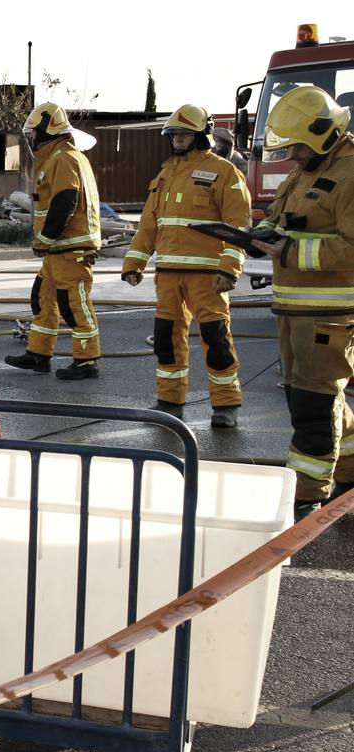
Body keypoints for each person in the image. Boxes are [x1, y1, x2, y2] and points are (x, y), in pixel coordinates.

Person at [249, 86, 354, 518]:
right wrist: (257, 237)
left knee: (313, 404)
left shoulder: (350, 174)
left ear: (323, 134)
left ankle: (308, 495)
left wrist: (289, 250)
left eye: (297, 145)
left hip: (331, 314)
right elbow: (281, 219)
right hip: (294, 311)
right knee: (311, 397)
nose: (291, 154)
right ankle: (348, 468)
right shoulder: (305, 170)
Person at [121, 104, 251, 428]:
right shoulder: (164, 175)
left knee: (216, 340)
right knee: (166, 339)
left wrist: (229, 268)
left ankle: (226, 406)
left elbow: (239, 224)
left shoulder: (223, 172)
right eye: (174, 133)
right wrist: (135, 263)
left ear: (200, 135)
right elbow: (149, 225)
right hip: (167, 277)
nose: (177, 138)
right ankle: (169, 402)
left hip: (208, 278)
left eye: (184, 133)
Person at [4, 102, 103, 380]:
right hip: (58, 249)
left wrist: (44, 238)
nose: (31, 138)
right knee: (42, 299)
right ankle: (39, 354)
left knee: (74, 304)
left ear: (47, 130)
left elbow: (65, 201)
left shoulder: (63, 158)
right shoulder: (55, 158)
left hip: (71, 248)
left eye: (33, 132)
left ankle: (87, 360)